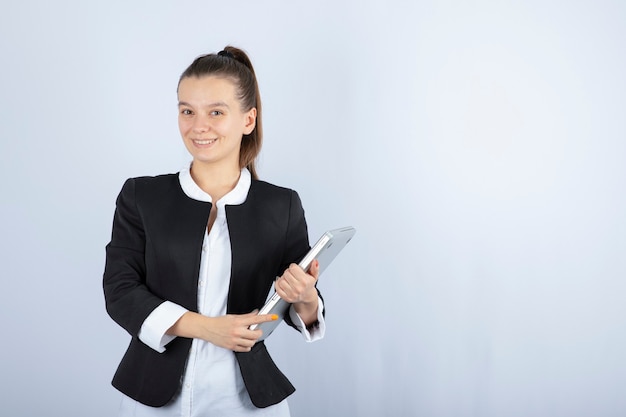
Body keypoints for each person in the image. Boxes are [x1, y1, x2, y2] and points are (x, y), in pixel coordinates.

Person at [103, 46, 325, 416]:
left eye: (216, 112)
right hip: (153, 397)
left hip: (245, 399)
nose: (198, 126)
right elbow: (120, 292)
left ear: (248, 120)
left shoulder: (280, 205)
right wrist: (208, 328)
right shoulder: (142, 196)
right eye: (187, 111)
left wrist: (305, 297)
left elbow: (295, 309)